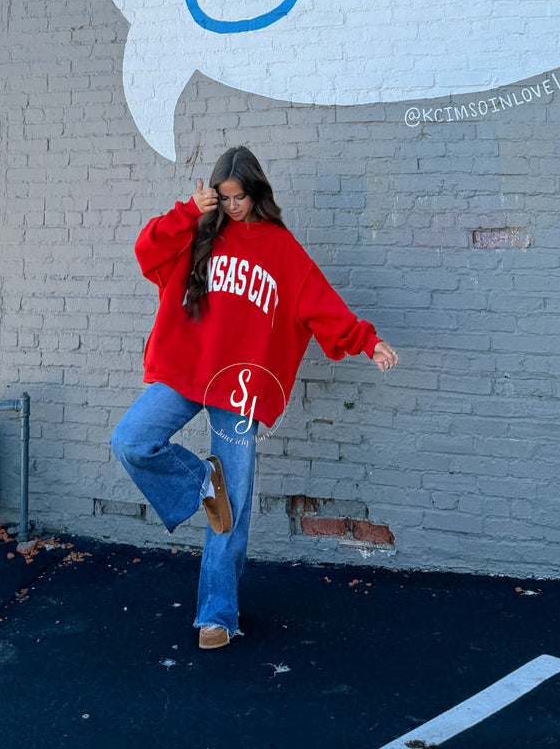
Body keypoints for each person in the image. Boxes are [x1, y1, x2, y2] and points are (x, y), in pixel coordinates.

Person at [110, 145, 399, 649]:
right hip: (186, 371)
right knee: (131, 440)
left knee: (234, 506)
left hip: (238, 390)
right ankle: (203, 481)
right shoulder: (197, 230)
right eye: (223, 197)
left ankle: (217, 615)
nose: (232, 206)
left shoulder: (279, 247)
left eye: (239, 197)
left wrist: (366, 341)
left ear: (256, 191)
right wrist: (188, 212)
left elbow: (319, 303)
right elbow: (146, 251)